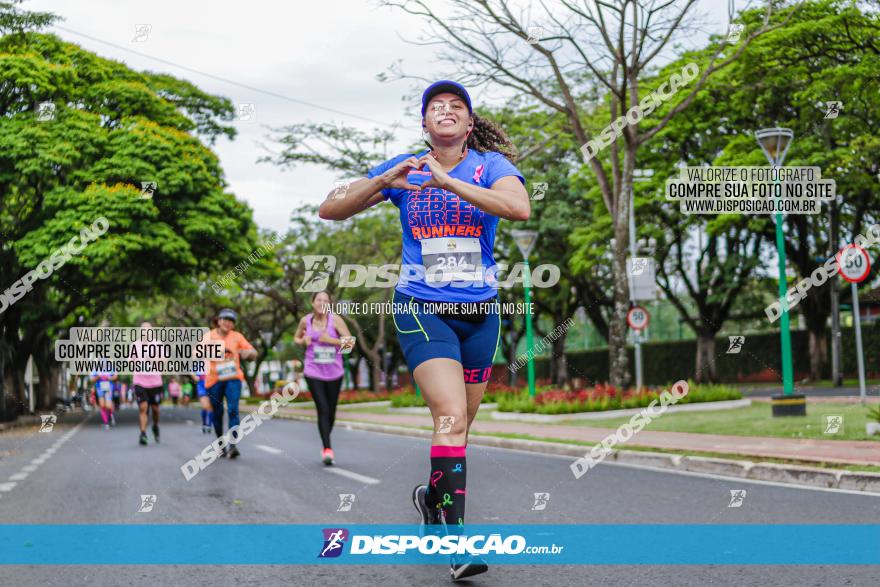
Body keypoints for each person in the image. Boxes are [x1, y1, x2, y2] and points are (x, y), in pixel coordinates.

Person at [317, 80, 529, 581]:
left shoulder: (490, 167)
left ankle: (431, 498)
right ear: (425, 124)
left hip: (480, 311)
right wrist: (386, 178)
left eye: (458, 106)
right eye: (437, 107)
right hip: (420, 307)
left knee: (463, 424)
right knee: (450, 417)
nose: (448, 111)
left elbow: (518, 208)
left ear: (470, 123)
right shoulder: (406, 168)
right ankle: (456, 546)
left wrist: (445, 181)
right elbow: (330, 207)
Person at [294, 290, 353, 465]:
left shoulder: (336, 320)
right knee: (323, 409)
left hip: (335, 371)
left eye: (325, 300)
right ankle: (327, 449)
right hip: (313, 371)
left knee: (331, 413)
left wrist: (331, 341)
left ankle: (326, 438)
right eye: (318, 300)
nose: (321, 303)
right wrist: (303, 341)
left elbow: (350, 343)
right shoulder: (306, 321)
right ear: (312, 303)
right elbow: (297, 337)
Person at [205, 309, 256, 458]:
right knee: (217, 413)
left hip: (233, 378)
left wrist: (249, 354)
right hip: (214, 380)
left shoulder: (237, 336)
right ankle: (221, 444)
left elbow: (252, 352)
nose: (228, 322)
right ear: (218, 320)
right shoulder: (209, 336)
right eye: (225, 319)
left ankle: (233, 445)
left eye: (231, 320)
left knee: (233, 409)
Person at [133, 321, 165, 445]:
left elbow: (164, 360)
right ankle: (143, 433)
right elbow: (130, 362)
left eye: (148, 329)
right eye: (143, 329)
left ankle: (155, 426)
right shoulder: (135, 345)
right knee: (143, 407)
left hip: (155, 382)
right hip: (140, 381)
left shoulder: (158, 344)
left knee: (155, 409)